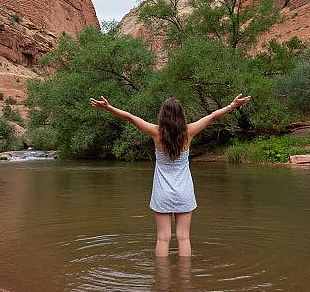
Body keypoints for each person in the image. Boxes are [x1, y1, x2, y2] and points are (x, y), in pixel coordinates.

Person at [89, 92, 251, 257]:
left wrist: (109, 108)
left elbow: (131, 118)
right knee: (184, 238)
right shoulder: (189, 132)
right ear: (182, 115)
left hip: (162, 192)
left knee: (162, 238)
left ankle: (162, 278)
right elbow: (212, 117)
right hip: (184, 192)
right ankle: (185, 279)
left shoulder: (156, 133)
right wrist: (232, 106)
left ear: (162, 115)